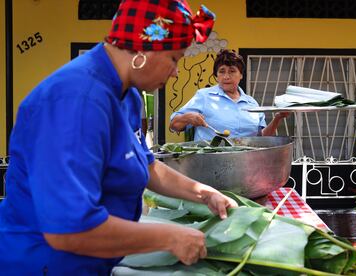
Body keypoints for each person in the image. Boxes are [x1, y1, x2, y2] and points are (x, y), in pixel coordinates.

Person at [0, 0, 237, 275]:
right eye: (174, 58)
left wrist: (203, 193)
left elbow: (144, 165)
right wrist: (171, 237)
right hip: (44, 264)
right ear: (143, 49)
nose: (175, 71)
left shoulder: (128, 96)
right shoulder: (77, 101)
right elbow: (69, 229)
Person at [169, 49, 290, 141]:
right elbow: (174, 125)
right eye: (222, 71)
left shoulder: (251, 103)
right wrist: (187, 117)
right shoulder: (203, 96)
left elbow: (262, 138)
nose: (226, 76)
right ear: (217, 76)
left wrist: (278, 118)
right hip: (209, 165)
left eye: (232, 71)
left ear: (241, 75)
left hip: (247, 165)